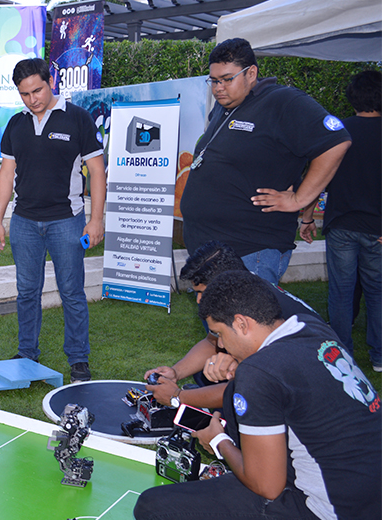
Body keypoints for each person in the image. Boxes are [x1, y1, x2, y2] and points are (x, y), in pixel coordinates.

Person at [134, 270, 381, 520]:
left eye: (220, 333)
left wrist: (220, 442)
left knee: (152, 506)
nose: (220, 345)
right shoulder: (312, 326)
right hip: (370, 493)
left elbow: (267, 487)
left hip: (329, 510)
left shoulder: (258, 373)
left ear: (241, 323)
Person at [180, 38, 351, 285]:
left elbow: (336, 141)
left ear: (251, 73)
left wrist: (299, 199)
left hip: (250, 251)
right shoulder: (223, 108)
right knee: (218, 324)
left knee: (248, 323)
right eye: (214, 80)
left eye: (227, 79)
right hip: (209, 252)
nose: (218, 87)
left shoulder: (283, 101)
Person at [0, 58, 106, 383]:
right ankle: (27, 354)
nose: (32, 99)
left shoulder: (77, 119)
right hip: (25, 221)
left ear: (50, 80)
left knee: (71, 292)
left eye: (37, 90)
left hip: (67, 221)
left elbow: (96, 171)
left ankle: (78, 359)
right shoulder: (15, 124)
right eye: (24, 94)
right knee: (27, 292)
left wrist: (96, 220)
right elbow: (6, 174)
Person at [143, 241, 319, 409]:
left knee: (223, 379)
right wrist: (176, 372)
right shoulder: (245, 288)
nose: (199, 300)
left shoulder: (259, 314)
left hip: (307, 396)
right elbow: (212, 343)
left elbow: (247, 388)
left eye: (202, 292)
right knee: (209, 369)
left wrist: (177, 397)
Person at [301, 70, 381, 372]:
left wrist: (306, 218)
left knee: (341, 292)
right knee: (377, 292)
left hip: (341, 227)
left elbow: (317, 179)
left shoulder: (338, 133)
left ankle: (342, 355)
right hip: (377, 231)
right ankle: (379, 357)